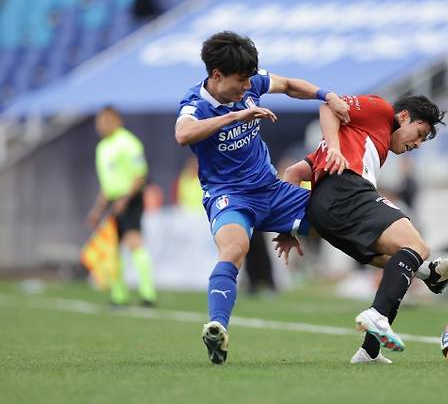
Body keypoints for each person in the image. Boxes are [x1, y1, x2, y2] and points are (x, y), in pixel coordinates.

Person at [174, 31, 349, 365]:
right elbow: (182, 134)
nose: (246, 87)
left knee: (341, 221)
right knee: (234, 249)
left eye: (248, 80)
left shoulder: (250, 83)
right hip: (230, 198)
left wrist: (327, 94)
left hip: (271, 190)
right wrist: (235, 116)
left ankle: (415, 266)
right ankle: (217, 328)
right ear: (216, 75)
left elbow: (290, 85)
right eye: (240, 81)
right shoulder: (195, 104)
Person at [276, 94, 448, 364]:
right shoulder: (380, 110)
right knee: (417, 247)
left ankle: (369, 351)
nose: (417, 144)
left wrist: (287, 228)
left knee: (399, 263)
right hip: (346, 192)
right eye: (419, 133)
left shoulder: (353, 140)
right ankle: (386, 308)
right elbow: (327, 107)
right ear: (403, 116)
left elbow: (292, 173)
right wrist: (334, 147)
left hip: (325, 213)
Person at [86, 106, 157, 306]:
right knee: (112, 248)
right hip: (112, 201)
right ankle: (119, 295)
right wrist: (97, 209)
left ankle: (147, 294)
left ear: (117, 120)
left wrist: (124, 200)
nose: (101, 125)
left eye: (106, 120)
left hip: (130, 199)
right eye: (99, 121)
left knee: (134, 242)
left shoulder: (129, 143)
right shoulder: (102, 147)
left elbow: (140, 175)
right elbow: (108, 184)